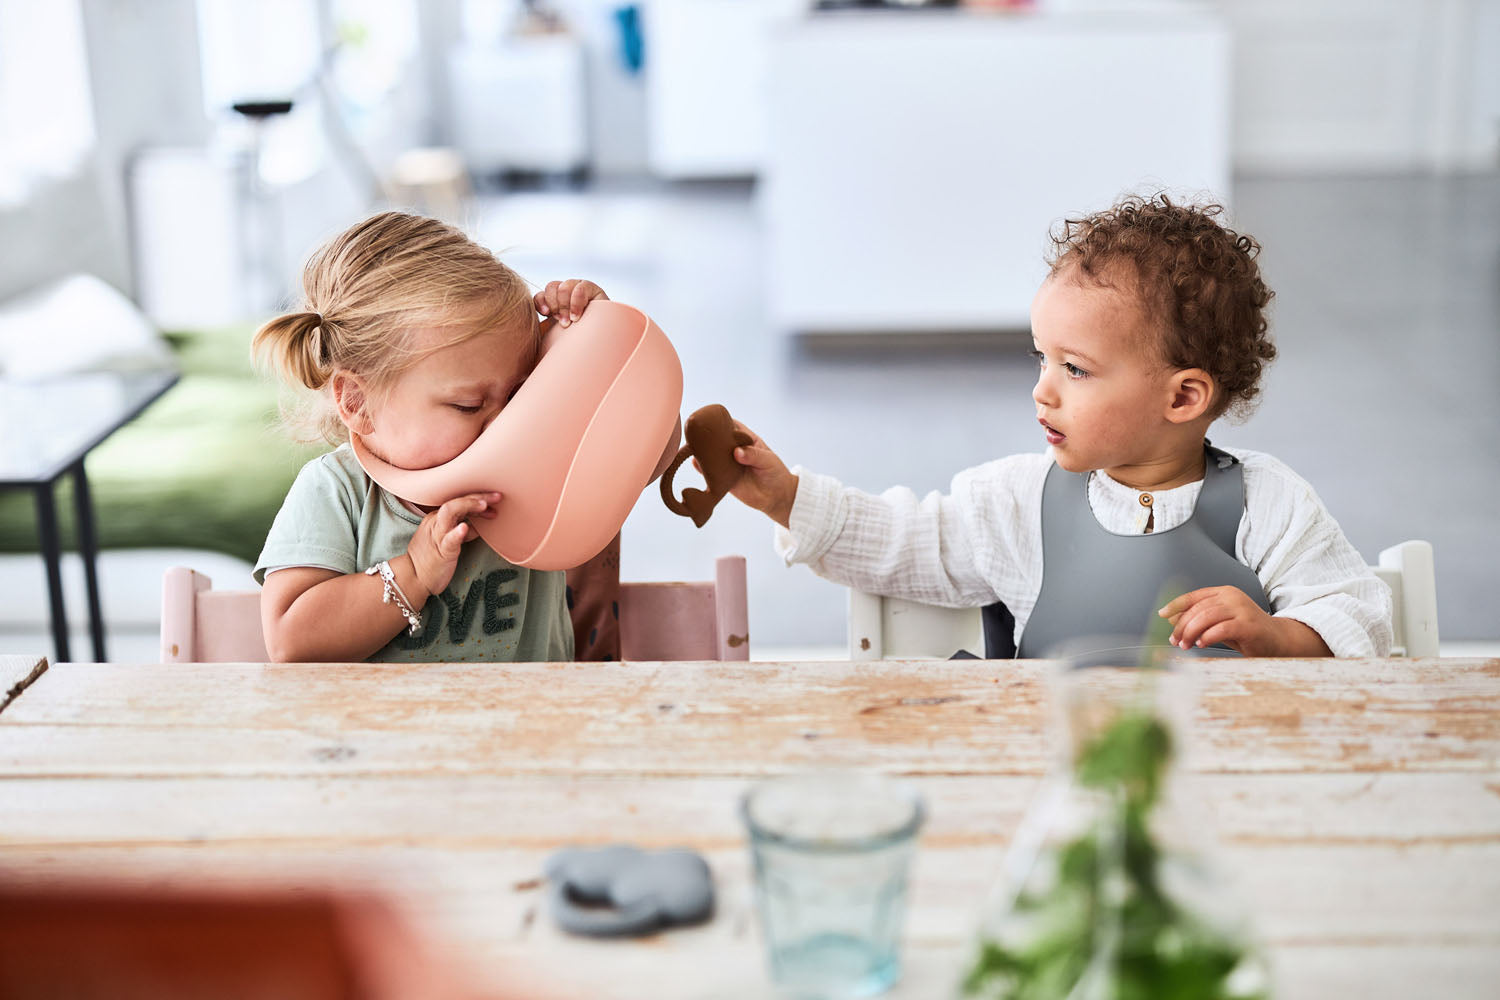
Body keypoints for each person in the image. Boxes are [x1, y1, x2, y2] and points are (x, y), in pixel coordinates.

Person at [724, 194, 1393, 657]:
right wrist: (787, 499)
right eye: (1041, 358)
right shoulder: (1018, 501)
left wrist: (1278, 637)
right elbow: (905, 542)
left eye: (1075, 369)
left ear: (1183, 397)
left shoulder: (1270, 504)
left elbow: (1357, 613)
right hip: (1053, 781)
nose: (1041, 390)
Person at [251, 210, 622, 663]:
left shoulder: (538, 467)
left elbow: (646, 458)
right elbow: (292, 641)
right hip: (382, 734)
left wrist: (600, 346)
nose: (506, 423)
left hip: (531, 730)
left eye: (520, 394)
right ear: (358, 404)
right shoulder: (337, 492)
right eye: (468, 405)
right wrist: (414, 573)